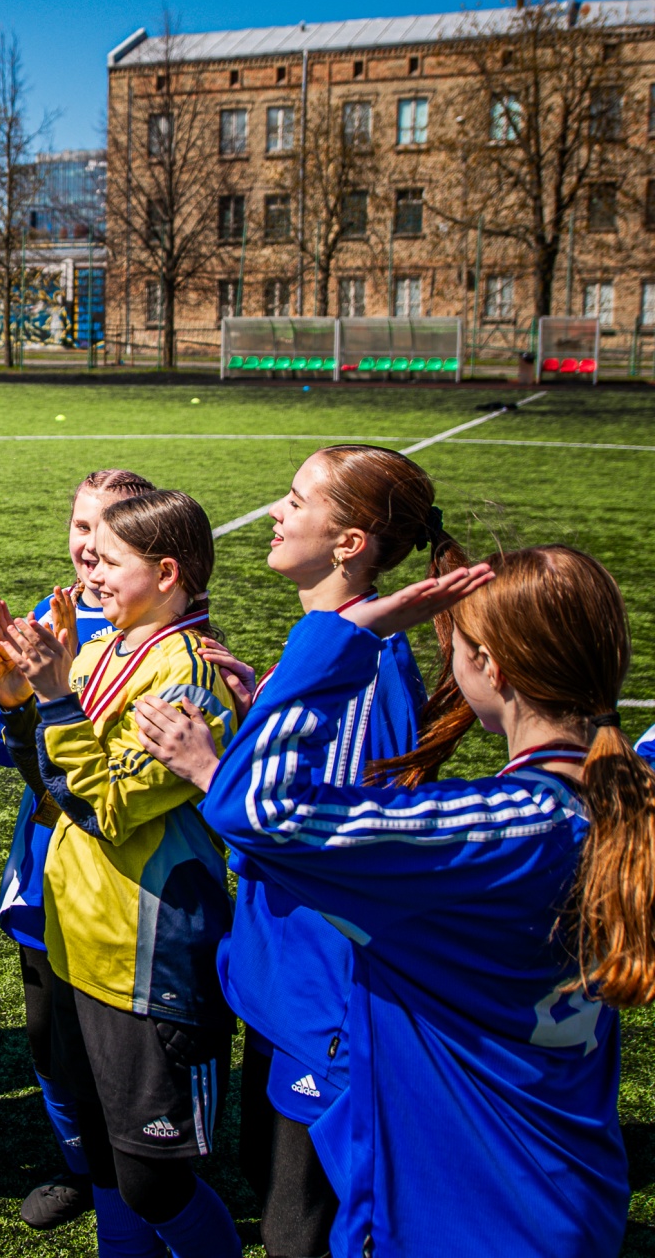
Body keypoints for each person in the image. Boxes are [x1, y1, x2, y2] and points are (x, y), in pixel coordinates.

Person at [145, 546, 645, 1257]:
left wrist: (341, 638)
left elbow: (258, 810)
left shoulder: (498, 830)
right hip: (566, 1190)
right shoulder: (624, 796)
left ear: (490, 667)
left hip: (466, 1210)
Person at [137, 445, 453, 1258]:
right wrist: (264, 708)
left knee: (298, 1228)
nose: (276, 512)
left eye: (296, 500)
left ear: (349, 544)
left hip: (322, 999)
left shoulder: (368, 674)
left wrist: (210, 770)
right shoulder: (327, 647)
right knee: (271, 1186)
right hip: (285, 983)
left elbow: (328, 846)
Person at [0, 489, 242, 1258]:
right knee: (107, 1160)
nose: (90, 573)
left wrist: (53, 699)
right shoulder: (105, 649)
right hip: (81, 947)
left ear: (166, 573)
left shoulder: (190, 682)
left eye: (108, 561)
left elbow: (105, 805)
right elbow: (55, 789)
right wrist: (19, 709)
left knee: (155, 1184)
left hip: (148, 965)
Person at [0, 467, 155, 1230]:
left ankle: (146, 1169)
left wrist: (53, 697)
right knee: (49, 1040)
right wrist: (11, 702)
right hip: (46, 859)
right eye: (81, 525)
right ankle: (80, 1165)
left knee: (119, 1048)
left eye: (108, 528)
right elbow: (18, 758)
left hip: (116, 876)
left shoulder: (151, 631)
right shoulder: (47, 623)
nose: (89, 544)